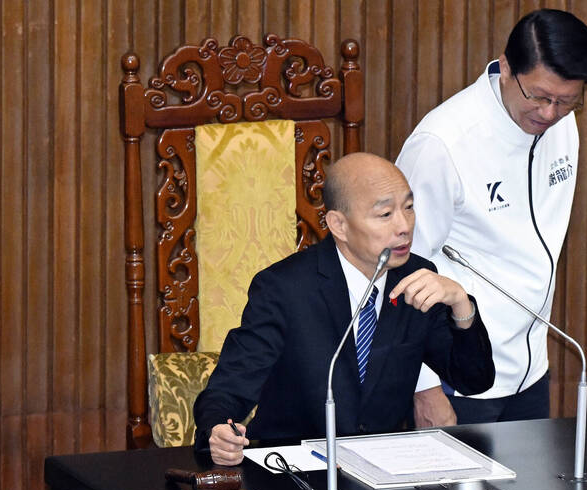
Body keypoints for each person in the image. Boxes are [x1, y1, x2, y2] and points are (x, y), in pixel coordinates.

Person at [194, 152, 494, 466]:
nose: (404, 226)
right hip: (295, 474)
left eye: (409, 207)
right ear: (338, 224)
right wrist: (219, 428)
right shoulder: (284, 289)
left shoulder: (417, 279)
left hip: (385, 473)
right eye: (385, 214)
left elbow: (474, 380)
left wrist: (461, 304)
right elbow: (230, 387)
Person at [396, 9, 587, 427]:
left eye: (566, 101)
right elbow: (395, 268)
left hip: (531, 369)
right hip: (459, 377)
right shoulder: (443, 144)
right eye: (539, 96)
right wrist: (424, 388)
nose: (548, 114)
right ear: (505, 67)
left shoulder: (563, 123)